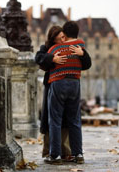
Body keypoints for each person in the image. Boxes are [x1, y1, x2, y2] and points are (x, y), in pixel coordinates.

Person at [35, 25, 91, 162]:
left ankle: (58, 155)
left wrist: (82, 54)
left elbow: (87, 63)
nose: (63, 40)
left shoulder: (74, 48)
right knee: (69, 120)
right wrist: (52, 59)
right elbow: (38, 58)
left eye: (63, 37)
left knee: (58, 120)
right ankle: (76, 154)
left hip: (58, 84)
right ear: (53, 38)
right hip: (56, 85)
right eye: (60, 38)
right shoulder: (49, 48)